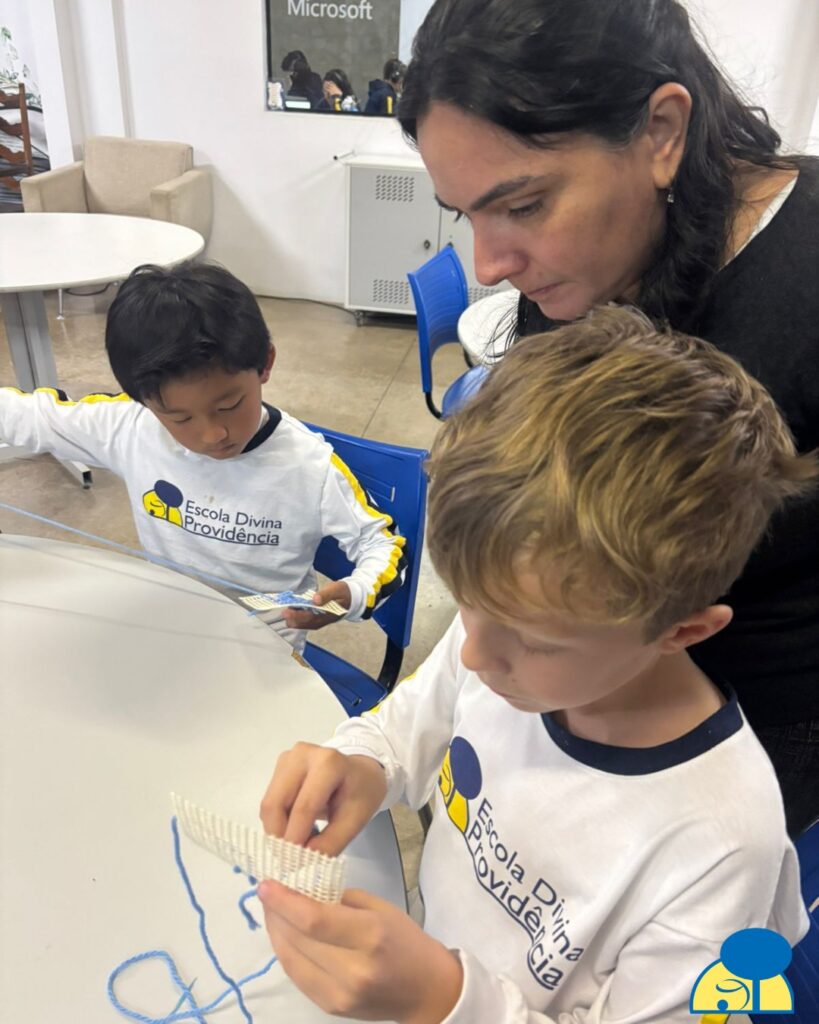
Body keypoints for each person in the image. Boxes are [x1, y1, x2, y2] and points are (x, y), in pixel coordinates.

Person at [257, 307, 814, 1023]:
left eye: (537, 641)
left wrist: (444, 998)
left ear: (679, 631)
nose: (471, 653)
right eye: (468, 605)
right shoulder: (507, 633)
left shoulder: (722, 846)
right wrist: (364, 763)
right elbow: (408, 725)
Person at [396, 0, 819, 837]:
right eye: (464, 213)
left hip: (758, 734)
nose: (490, 263)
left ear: (661, 132)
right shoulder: (567, 287)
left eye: (524, 205)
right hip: (581, 688)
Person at [0, 262, 406, 651]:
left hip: (266, 651)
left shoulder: (309, 465)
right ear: (143, 401)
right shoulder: (132, 426)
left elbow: (385, 546)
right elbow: (31, 416)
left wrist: (349, 596)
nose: (213, 435)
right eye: (179, 418)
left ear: (265, 364)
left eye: (229, 405)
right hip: (170, 632)